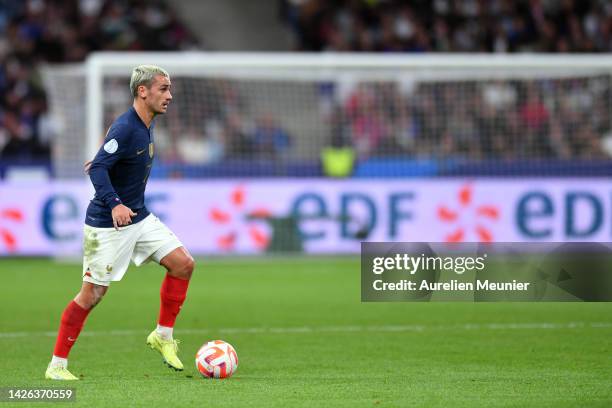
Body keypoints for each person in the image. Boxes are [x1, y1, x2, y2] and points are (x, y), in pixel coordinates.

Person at [45, 65, 194, 380]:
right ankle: (56, 366)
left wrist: (104, 163)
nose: (170, 95)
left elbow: (104, 161)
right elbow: (98, 168)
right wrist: (114, 203)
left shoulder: (145, 123)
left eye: (169, 89)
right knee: (92, 295)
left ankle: (163, 336)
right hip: (106, 225)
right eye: (164, 88)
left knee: (183, 264)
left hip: (139, 217)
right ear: (143, 91)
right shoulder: (127, 127)